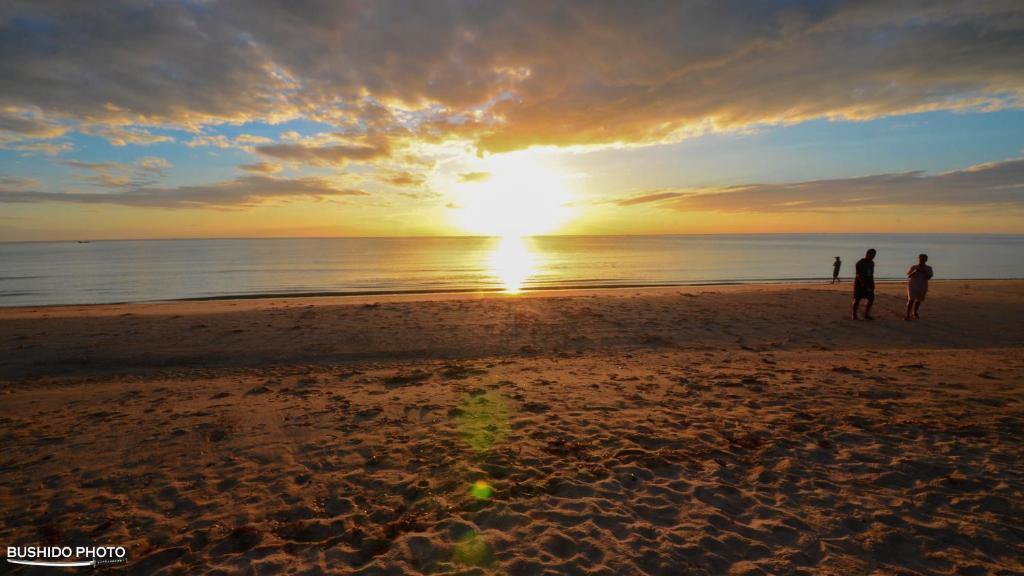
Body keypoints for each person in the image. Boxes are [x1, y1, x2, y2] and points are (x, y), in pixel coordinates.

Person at [905, 254, 933, 320]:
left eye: (923, 259)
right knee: (911, 300)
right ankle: (907, 315)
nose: (921, 260)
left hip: (922, 286)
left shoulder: (929, 268)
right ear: (918, 259)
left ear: (926, 260)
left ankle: (915, 312)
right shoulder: (914, 267)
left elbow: (928, 277)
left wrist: (924, 272)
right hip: (912, 285)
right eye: (920, 259)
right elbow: (909, 275)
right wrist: (914, 272)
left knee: (919, 300)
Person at [852, 248, 876, 320]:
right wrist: (863, 283)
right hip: (859, 283)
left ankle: (866, 314)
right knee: (857, 299)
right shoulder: (860, 263)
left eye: (874, 255)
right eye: (872, 255)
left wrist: (872, 283)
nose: (873, 257)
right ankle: (854, 315)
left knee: (871, 298)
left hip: (869, 282)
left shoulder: (872, 263)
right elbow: (858, 274)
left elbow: (871, 274)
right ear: (867, 254)